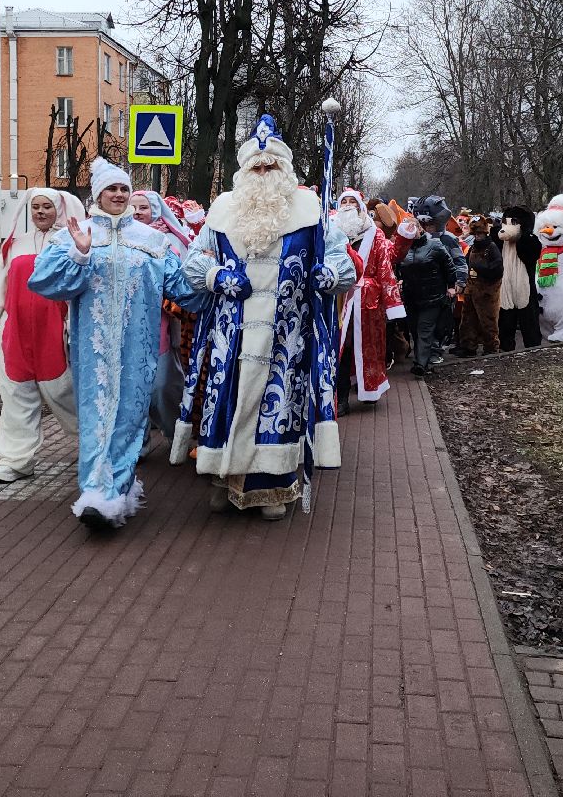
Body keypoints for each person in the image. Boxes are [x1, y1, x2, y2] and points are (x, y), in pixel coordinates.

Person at [172, 116, 356, 521]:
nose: (263, 172)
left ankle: (273, 486)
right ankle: (225, 477)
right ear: (243, 171)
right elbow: (192, 260)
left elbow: (343, 262)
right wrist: (216, 276)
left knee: (279, 406)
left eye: (271, 165)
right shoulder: (222, 211)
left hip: (287, 335)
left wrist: (330, 275)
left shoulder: (311, 212)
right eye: (256, 166)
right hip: (231, 333)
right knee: (229, 401)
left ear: (285, 169)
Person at [28, 159, 205, 529]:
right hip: (93, 352)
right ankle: (95, 492)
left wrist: (215, 275)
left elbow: (183, 289)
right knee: (95, 419)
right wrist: (80, 255)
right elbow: (44, 281)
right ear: (98, 194)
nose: (120, 195)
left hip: (138, 351)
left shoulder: (152, 242)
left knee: (128, 418)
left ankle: (117, 490)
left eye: (124, 189)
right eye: (112, 189)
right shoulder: (74, 234)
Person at [0, 188, 82, 483]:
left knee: (64, 392)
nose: (41, 212)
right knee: (17, 396)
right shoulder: (15, 246)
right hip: (16, 334)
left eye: (47, 207)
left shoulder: (72, 243)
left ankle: (95, 444)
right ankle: (16, 460)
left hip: (55, 334)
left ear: (60, 209)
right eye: (36, 208)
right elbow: (0, 286)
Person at [131, 190, 196, 457]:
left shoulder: (168, 240)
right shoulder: (120, 237)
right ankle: (138, 445)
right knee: (132, 390)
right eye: (132, 207)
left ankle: (175, 434)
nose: (136, 212)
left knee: (163, 385)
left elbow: (180, 283)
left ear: (155, 211)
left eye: (143, 207)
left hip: (161, 323)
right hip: (128, 326)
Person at [334, 188, 403, 411]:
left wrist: (392, 304)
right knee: (340, 347)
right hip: (338, 299)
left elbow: (385, 268)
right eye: (343, 201)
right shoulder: (331, 232)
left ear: (360, 206)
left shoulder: (375, 234)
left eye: (351, 202)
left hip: (367, 301)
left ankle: (370, 389)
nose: (347, 205)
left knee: (368, 347)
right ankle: (341, 397)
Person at [397, 221, 458, 375]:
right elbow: (397, 267)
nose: (410, 230)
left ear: (420, 229)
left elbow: (449, 266)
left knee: (424, 328)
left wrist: (451, 285)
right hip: (411, 297)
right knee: (415, 329)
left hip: (432, 296)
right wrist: (400, 279)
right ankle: (422, 358)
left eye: (412, 227)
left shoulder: (435, 246)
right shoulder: (402, 249)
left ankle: (421, 364)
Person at [412, 195, 468, 362]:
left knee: (441, 324)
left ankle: (435, 350)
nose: (427, 228)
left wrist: (459, 281)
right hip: (422, 289)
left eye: (430, 224)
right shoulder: (415, 240)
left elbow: (459, 261)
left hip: (444, 289)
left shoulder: (448, 239)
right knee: (422, 325)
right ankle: (423, 354)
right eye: (424, 225)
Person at [496, 206, 542, 350]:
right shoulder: (502, 243)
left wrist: (523, 237)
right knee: (506, 318)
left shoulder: (532, 241)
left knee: (529, 317)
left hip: (524, 287)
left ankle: (533, 345)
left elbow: (530, 256)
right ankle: (506, 345)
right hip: (505, 286)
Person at [457, 214, 503, 356]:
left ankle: (491, 347)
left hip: (486, 292)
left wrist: (480, 268)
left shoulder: (491, 247)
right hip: (471, 291)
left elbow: (498, 269)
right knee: (468, 320)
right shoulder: (472, 248)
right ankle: (468, 346)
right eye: (475, 234)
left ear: (485, 233)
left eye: (479, 234)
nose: (477, 236)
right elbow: (465, 264)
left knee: (488, 321)